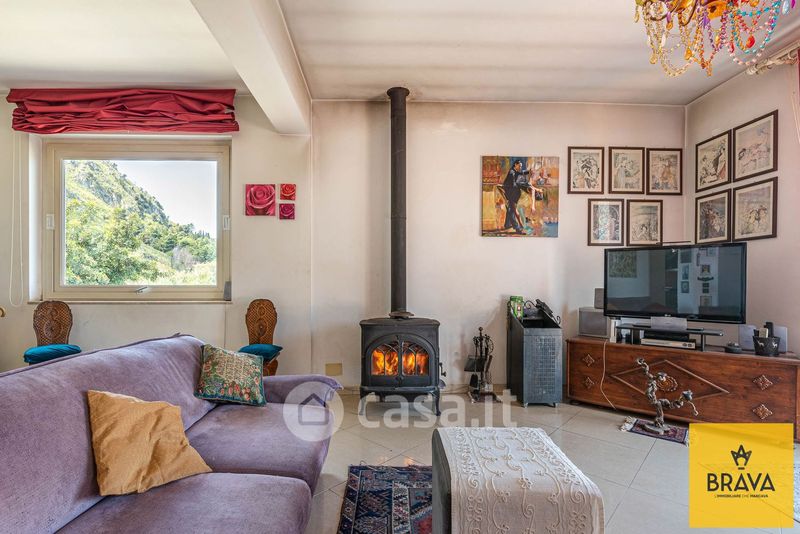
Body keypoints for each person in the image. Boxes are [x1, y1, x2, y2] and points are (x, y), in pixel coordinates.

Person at [501, 159, 531, 234]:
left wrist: (528, 172)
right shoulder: (512, 172)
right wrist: (521, 184)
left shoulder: (515, 171)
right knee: (512, 211)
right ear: (515, 165)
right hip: (511, 194)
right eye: (519, 166)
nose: (520, 167)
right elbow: (513, 184)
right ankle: (517, 228)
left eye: (521, 166)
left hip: (512, 193)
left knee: (510, 209)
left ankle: (507, 224)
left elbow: (520, 173)